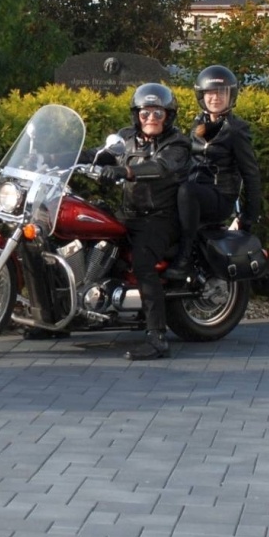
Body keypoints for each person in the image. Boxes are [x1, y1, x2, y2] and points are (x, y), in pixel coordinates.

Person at [84, 82, 191, 361]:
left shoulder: (177, 143)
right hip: (128, 214)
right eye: (145, 113)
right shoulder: (126, 138)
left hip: (159, 219)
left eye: (158, 113)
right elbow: (99, 154)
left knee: (143, 263)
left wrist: (126, 170)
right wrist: (60, 158)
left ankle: (157, 338)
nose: (151, 119)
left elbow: (161, 166)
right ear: (136, 115)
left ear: (168, 116)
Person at [168, 64, 262, 280]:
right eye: (210, 93)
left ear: (231, 96)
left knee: (186, 191)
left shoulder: (236, 129)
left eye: (221, 93)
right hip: (196, 191)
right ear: (202, 96)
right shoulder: (198, 124)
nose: (215, 98)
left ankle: (184, 258)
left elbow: (250, 173)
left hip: (219, 196)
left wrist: (248, 217)